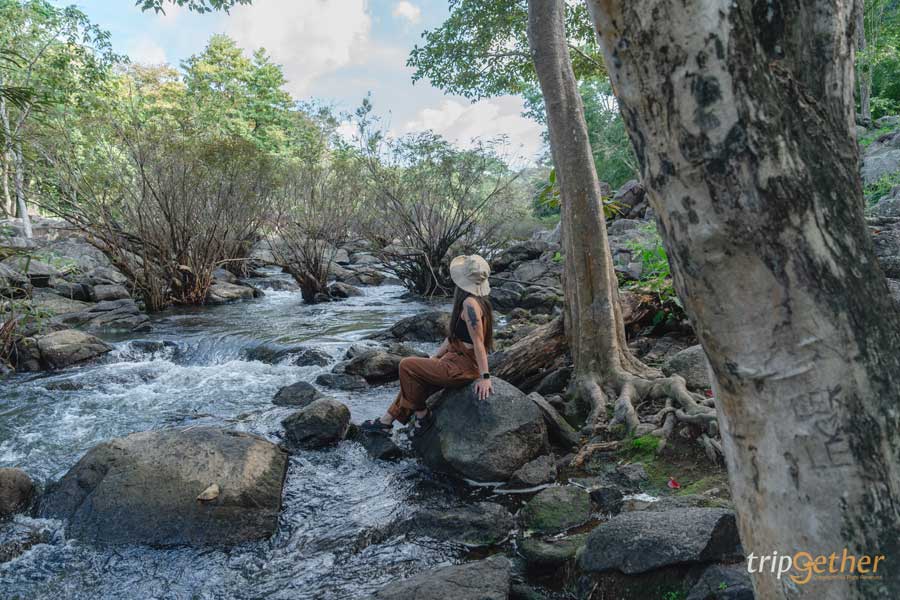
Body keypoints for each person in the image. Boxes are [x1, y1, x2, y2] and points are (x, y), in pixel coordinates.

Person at [361, 254, 495, 436]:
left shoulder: (470, 303)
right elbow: (453, 338)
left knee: (406, 365)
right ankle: (386, 421)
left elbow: (479, 343)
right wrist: (436, 357)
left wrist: (485, 377)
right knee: (414, 379)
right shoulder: (478, 301)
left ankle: (422, 415)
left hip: (461, 368)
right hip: (454, 360)